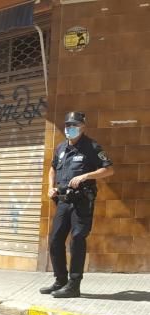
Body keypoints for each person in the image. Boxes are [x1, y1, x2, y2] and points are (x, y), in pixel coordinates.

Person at [40, 111, 113, 299]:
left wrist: (85, 176)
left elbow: (108, 169)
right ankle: (60, 280)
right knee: (55, 240)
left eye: (73, 125)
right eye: (67, 125)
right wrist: (51, 188)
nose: (69, 129)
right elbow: (52, 168)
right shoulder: (60, 148)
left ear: (82, 127)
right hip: (63, 201)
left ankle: (74, 285)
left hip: (82, 202)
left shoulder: (91, 146)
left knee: (77, 240)